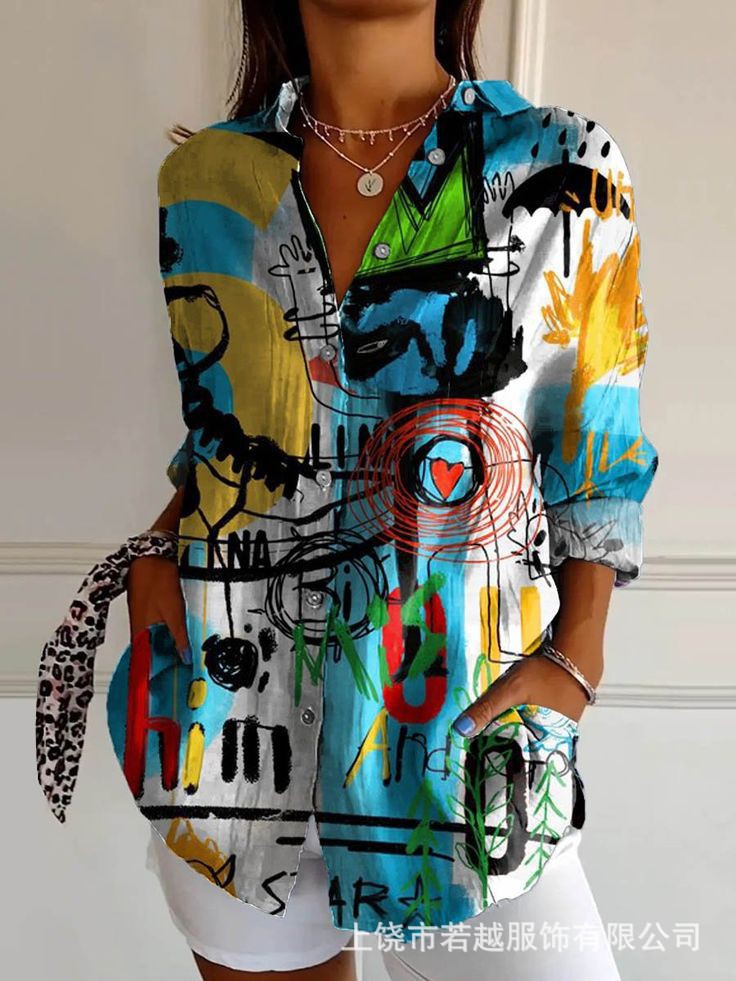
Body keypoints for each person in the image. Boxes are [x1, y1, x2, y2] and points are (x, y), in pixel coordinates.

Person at [122, 0, 658, 978]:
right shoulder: (204, 183)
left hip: (461, 750)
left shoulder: (561, 167)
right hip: (231, 741)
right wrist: (156, 547)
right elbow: (229, 431)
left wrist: (577, 657)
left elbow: (598, 448)